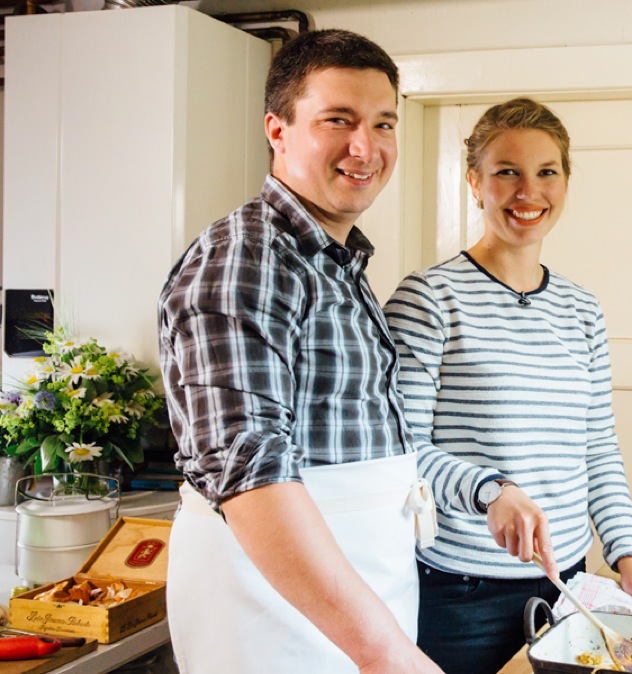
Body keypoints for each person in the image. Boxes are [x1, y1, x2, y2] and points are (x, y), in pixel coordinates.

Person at [384, 98, 632, 674]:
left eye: (546, 172)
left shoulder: (582, 311)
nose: (527, 192)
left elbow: (598, 448)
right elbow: (399, 451)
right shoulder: (429, 299)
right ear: (474, 182)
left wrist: (627, 554)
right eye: (506, 171)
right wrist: (490, 490)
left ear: (565, 181)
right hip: (461, 596)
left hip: (569, 589)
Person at [158, 30, 443, 674]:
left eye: (383, 123)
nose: (364, 147)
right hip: (274, 621)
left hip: (353, 612)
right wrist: (389, 653)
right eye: (337, 120)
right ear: (277, 130)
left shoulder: (334, 261)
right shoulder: (246, 258)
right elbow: (250, 472)